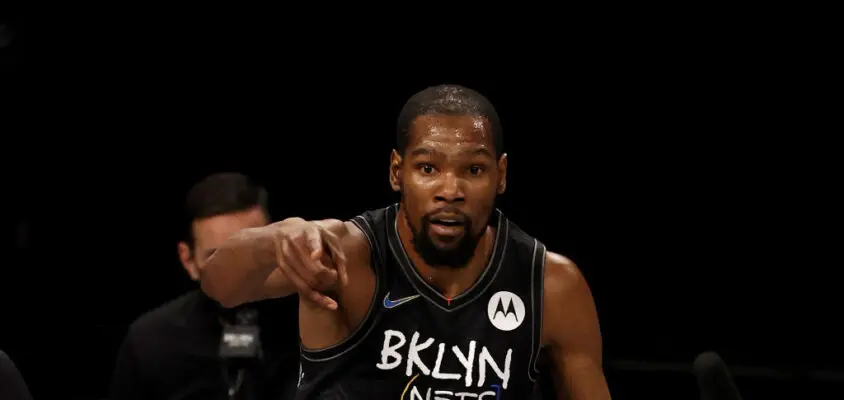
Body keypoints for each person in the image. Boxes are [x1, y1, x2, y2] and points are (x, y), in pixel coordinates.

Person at [200, 85, 612, 399]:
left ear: (501, 175)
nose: (450, 189)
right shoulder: (345, 255)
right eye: (428, 167)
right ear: (397, 172)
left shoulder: (550, 285)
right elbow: (219, 286)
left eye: (473, 169)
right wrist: (275, 237)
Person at [110, 173, 300, 400]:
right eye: (217, 256)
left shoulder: (320, 320)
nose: (239, 271)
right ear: (188, 260)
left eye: (254, 251)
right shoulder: (150, 343)